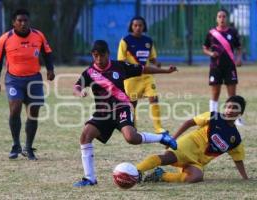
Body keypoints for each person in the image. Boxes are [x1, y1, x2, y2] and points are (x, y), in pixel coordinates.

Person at [72, 40, 178, 187]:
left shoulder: (119, 66)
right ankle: (90, 178)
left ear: (108, 54)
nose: (99, 59)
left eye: (101, 56)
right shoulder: (89, 72)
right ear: (92, 55)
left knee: (131, 138)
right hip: (103, 113)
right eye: (95, 56)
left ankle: (162, 137)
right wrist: (80, 91)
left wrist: (166, 71)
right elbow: (76, 86)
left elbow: (143, 69)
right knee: (85, 136)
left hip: (122, 107)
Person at [136, 95, 248, 183]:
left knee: (196, 177)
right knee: (167, 158)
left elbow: (238, 159)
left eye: (234, 108)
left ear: (240, 113)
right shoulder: (214, 116)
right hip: (188, 145)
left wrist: (245, 178)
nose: (230, 110)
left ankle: (161, 176)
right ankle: (136, 171)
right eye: (228, 107)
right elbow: (189, 123)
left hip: (197, 160)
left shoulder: (235, 139)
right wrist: (172, 139)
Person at [0, 9, 55, 160]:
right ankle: (16, 145)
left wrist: (50, 69)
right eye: (19, 21)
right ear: (13, 23)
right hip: (14, 79)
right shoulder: (5, 39)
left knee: (33, 113)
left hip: (34, 79)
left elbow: (47, 53)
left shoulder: (38, 35)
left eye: (25, 20)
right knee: (15, 109)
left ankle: (28, 147)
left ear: (29, 21)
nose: (23, 23)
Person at [117, 16, 166, 134]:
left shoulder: (148, 41)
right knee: (132, 103)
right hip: (132, 78)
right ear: (131, 27)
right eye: (135, 25)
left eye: (140, 25)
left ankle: (158, 128)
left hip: (147, 77)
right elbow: (121, 60)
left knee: (154, 98)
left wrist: (157, 64)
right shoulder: (125, 41)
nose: (138, 28)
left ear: (144, 27)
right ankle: (132, 126)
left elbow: (152, 58)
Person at [202, 9, 243, 125]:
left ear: (227, 18)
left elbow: (239, 47)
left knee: (232, 95)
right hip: (216, 67)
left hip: (230, 67)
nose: (222, 19)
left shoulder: (233, 32)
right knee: (215, 93)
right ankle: (213, 116)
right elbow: (205, 48)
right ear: (216, 19)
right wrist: (211, 54)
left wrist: (239, 58)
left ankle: (236, 119)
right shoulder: (211, 33)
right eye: (219, 16)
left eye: (224, 16)